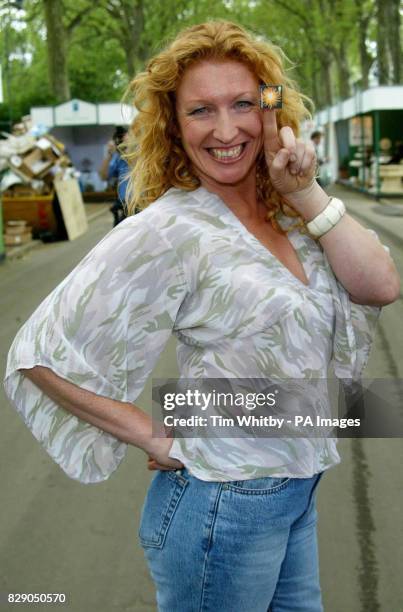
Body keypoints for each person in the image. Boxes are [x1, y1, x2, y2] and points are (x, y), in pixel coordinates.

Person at [3, 20, 400, 612]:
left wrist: (305, 190)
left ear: (271, 111)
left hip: (297, 488)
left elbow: (381, 285)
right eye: (200, 111)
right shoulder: (169, 229)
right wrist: (155, 433)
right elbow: (38, 353)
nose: (225, 129)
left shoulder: (290, 210)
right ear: (173, 125)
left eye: (243, 104)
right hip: (223, 508)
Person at [99, 125, 130, 226]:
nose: (122, 140)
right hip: (124, 206)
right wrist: (109, 154)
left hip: (140, 205)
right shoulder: (118, 158)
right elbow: (104, 176)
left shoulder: (142, 154)